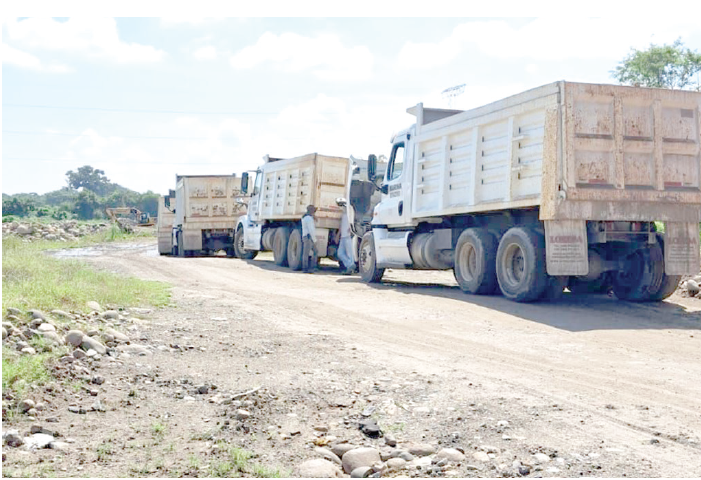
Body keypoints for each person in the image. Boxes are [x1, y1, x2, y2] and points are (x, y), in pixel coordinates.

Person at [336, 199, 354, 275]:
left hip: (348, 236)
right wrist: (338, 235)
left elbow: (353, 223)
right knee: (340, 253)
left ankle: (350, 266)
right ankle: (350, 265)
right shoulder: (343, 215)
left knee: (349, 253)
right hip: (343, 237)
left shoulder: (351, 214)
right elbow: (341, 226)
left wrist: (352, 230)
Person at [301, 205, 318, 273]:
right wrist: (314, 240)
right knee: (312, 252)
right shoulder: (309, 219)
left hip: (306, 236)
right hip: (309, 237)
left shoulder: (305, 217)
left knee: (307, 253)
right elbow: (311, 230)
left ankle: (307, 268)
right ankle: (309, 268)